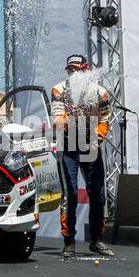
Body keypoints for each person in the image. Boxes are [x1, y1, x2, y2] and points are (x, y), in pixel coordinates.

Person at [51, 53, 114, 259]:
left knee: (98, 194)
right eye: (70, 70)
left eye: (77, 70)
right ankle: (69, 241)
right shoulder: (59, 90)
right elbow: (57, 122)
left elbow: (106, 117)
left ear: (86, 71)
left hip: (91, 145)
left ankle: (96, 240)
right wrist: (74, 116)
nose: (73, 73)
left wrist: (98, 135)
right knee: (71, 195)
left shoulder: (99, 92)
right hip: (68, 145)